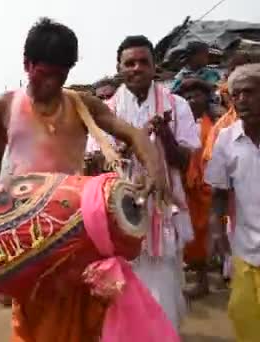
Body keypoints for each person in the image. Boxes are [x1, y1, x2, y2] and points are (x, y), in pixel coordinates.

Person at [0, 18, 163, 342]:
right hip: (25, 233)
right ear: (27, 64)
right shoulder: (5, 106)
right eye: (44, 73)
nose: (51, 83)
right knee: (31, 317)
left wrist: (155, 171)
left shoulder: (82, 104)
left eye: (60, 75)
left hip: (74, 230)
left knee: (82, 316)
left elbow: (133, 134)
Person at [108, 35, 200, 329]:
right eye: (129, 63)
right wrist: (129, 142)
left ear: (154, 66)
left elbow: (185, 162)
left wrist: (164, 135)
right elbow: (98, 164)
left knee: (163, 289)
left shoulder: (177, 105)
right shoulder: (106, 110)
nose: (137, 68)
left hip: (164, 211)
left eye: (143, 62)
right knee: (124, 290)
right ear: (119, 68)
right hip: (121, 213)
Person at [205, 63, 260, 341]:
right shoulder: (226, 139)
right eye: (235, 94)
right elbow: (218, 192)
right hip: (245, 250)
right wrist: (215, 229)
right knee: (243, 317)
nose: (241, 100)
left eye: (249, 92)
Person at [176, 78, 218, 299]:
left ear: (206, 98)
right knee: (187, 236)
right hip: (184, 188)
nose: (192, 100)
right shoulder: (182, 123)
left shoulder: (212, 125)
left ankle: (203, 283)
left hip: (204, 189)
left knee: (201, 236)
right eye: (188, 96)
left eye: (197, 95)